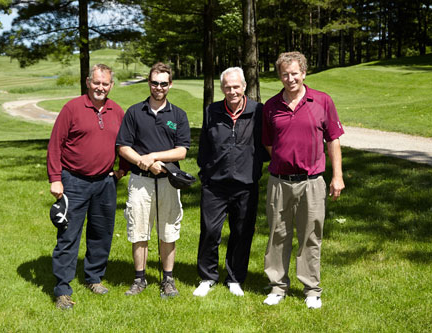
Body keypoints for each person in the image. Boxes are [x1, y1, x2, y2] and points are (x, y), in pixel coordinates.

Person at [262, 52, 345, 309]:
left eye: (294, 73)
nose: (290, 78)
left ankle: (311, 289)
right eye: (285, 74)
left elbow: (333, 139)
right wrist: (283, 160)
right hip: (279, 182)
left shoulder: (322, 101)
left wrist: (337, 176)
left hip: (312, 181)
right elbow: (267, 143)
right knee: (278, 235)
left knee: (311, 236)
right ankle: (277, 286)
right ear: (280, 76)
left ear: (304, 73)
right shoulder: (271, 105)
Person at [47, 64, 126, 310]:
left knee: (101, 233)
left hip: (105, 182)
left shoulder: (116, 110)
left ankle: (93, 277)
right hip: (74, 181)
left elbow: (126, 142)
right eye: (96, 82)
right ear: (88, 82)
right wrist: (55, 178)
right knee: (69, 236)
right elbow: (55, 145)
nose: (100, 87)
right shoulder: (72, 108)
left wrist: (122, 168)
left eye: (105, 83)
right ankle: (62, 289)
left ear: (111, 85)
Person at [116, 62, 190, 298]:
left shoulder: (178, 115)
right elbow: (123, 147)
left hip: (168, 180)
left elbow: (182, 151)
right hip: (140, 181)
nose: (159, 87)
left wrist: (154, 157)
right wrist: (143, 162)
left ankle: (168, 279)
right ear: (149, 83)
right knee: (138, 230)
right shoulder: (134, 112)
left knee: (168, 230)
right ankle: (139, 279)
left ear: (170, 85)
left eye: (163, 83)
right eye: (155, 83)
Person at [193, 67, 268, 297]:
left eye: (236, 86)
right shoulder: (211, 111)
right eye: (227, 87)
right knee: (210, 231)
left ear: (244, 86)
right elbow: (204, 147)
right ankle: (207, 277)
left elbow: (266, 146)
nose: (232, 91)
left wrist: (253, 169)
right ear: (222, 88)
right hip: (215, 184)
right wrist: (205, 173)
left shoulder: (258, 111)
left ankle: (235, 277)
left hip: (246, 184)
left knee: (242, 231)